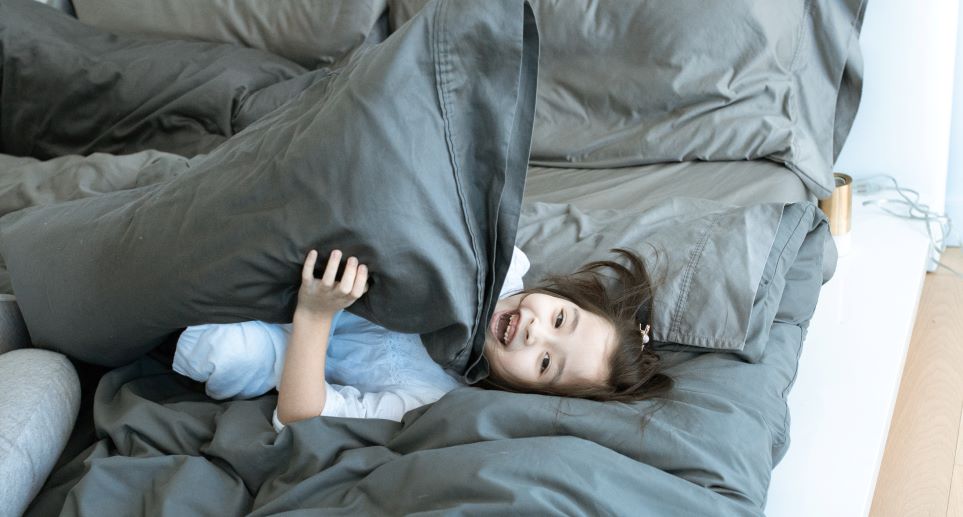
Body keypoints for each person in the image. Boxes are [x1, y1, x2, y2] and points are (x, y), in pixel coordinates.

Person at [172, 247, 672, 431]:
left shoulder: (434, 397)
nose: (533, 332)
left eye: (545, 364)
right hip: (318, 253)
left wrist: (314, 316)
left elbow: (301, 414)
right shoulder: (498, 262)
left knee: (224, 354)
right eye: (560, 320)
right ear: (560, 293)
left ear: (529, 395)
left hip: (296, 337)